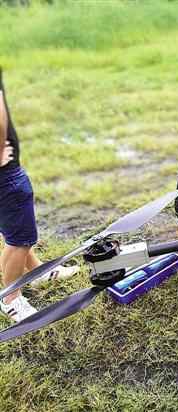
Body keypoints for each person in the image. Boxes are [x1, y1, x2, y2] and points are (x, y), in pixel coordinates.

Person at [0, 69, 79, 322]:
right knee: (20, 238)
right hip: (5, 174)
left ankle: (37, 272)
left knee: (14, 226)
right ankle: (10, 298)